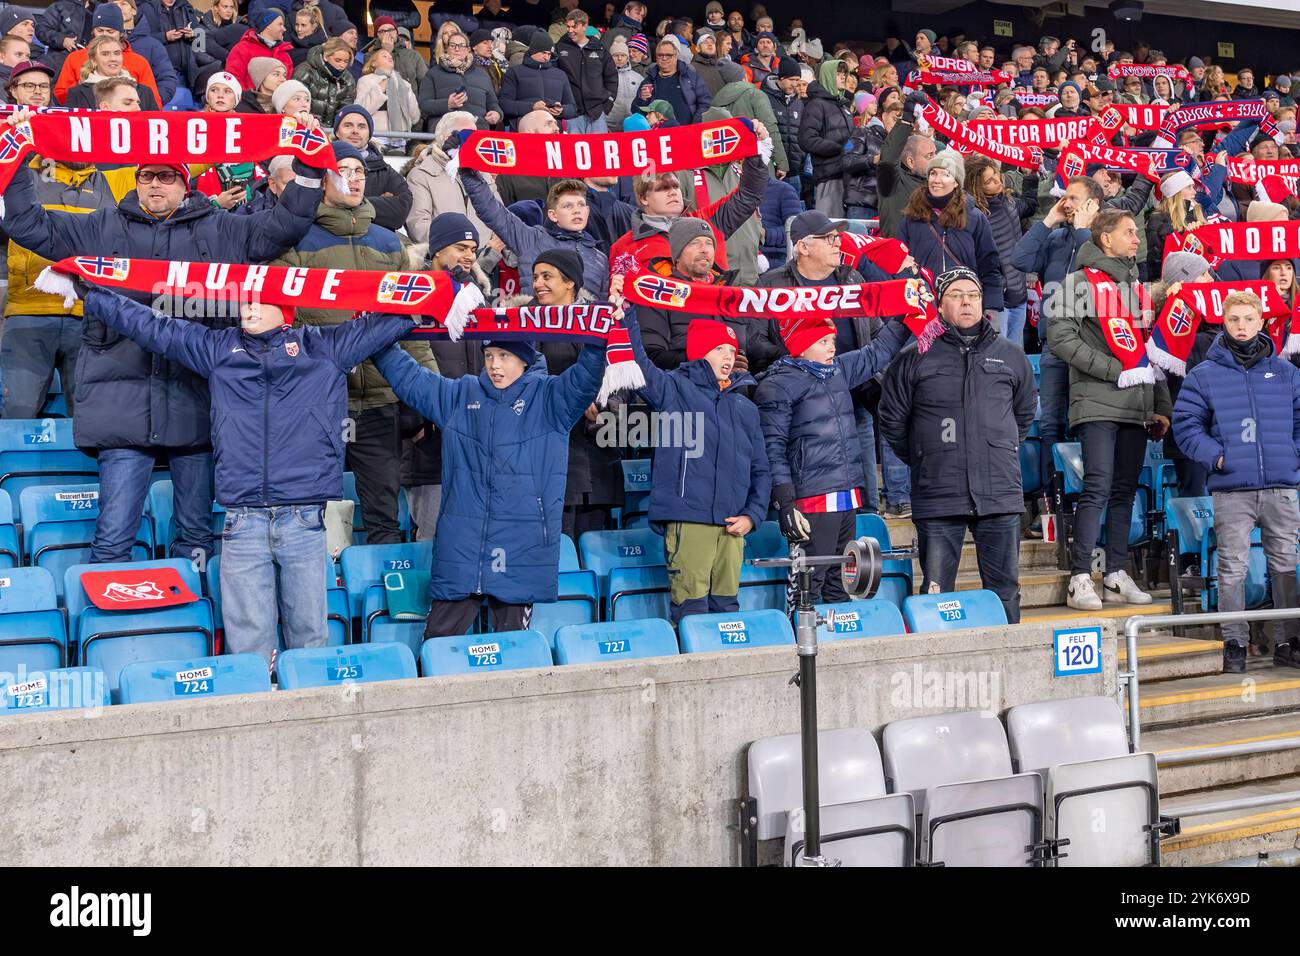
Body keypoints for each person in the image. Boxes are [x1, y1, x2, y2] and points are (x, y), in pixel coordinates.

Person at [0, 106, 323, 566]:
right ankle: (111, 627)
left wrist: (309, 166)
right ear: (135, 179)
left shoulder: (221, 228)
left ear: (185, 182)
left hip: (196, 399)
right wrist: (15, 159)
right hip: (121, 402)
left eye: (167, 176)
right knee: (112, 538)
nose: (155, 184)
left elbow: (287, 225)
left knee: (195, 541)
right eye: (147, 175)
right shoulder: (101, 225)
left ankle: (197, 630)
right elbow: (27, 224)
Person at [62, 280, 417, 666]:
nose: (249, 306)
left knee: (310, 642)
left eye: (260, 301)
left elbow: (393, 319)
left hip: (304, 521)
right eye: (246, 299)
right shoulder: (218, 348)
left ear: (286, 309)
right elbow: (152, 326)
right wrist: (93, 295)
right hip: (241, 521)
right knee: (248, 650)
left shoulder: (323, 347)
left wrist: (446, 291)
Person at [370, 302, 607, 639]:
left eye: (505, 356)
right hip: (461, 547)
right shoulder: (461, 394)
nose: (495, 366)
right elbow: (410, 378)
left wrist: (601, 336)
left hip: (521, 546)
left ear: (525, 358)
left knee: (514, 652)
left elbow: (586, 375)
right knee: (438, 646)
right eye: (489, 355)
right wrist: (376, 334)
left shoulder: (551, 398)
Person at [273, 141, 438, 546]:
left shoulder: (390, 244)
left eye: (360, 170)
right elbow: (281, 326)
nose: (354, 178)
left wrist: (431, 391)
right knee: (312, 514)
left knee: (383, 514)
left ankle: (387, 598)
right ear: (322, 179)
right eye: (343, 169)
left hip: (380, 405)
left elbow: (409, 328)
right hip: (320, 403)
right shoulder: (295, 242)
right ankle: (323, 603)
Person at [879, 267, 1037, 623]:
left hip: (998, 492)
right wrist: (925, 455)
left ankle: (1006, 657)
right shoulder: (915, 355)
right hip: (938, 494)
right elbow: (891, 419)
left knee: (1005, 591)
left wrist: (998, 448)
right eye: (956, 295)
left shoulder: (1011, 355)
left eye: (974, 295)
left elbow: (1023, 415)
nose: (966, 301)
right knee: (936, 592)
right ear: (939, 303)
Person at [617, 305, 770, 622]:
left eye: (732, 350)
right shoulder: (674, 389)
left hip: (733, 527)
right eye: (719, 349)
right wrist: (626, 314)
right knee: (691, 613)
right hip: (690, 522)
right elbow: (637, 363)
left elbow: (761, 471)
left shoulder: (745, 407)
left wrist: (752, 516)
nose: (728, 357)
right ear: (699, 352)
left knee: (727, 610)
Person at [754, 297, 912, 605]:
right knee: (809, 584)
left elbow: (877, 352)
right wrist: (786, 503)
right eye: (824, 341)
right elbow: (772, 448)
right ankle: (804, 651)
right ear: (801, 345)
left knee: (843, 584)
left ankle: (838, 649)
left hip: (846, 494)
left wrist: (906, 315)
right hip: (811, 500)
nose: (832, 348)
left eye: (832, 341)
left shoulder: (838, 370)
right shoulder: (777, 386)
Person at [1173, 290, 1300, 672]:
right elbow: (1185, 424)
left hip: (1281, 486)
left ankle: (1288, 641)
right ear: (1223, 323)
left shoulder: (1287, 373)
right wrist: (1217, 456)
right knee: (1232, 568)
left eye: (1248, 319)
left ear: (1261, 322)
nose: (1241, 326)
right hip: (1232, 489)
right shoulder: (1204, 374)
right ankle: (1234, 643)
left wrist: (1294, 458)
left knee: (1286, 566)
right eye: (1234, 320)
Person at [1053, 208, 1170, 610]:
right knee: (1097, 487)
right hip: (1097, 401)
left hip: (1136, 406)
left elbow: (1151, 353)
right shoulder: (1075, 283)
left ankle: (1116, 573)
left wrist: (1160, 404)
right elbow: (1061, 339)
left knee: (1124, 491)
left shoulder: (1138, 287)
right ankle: (1081, 576)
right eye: (1129, 232)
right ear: (1106, 239)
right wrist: (1113, 371)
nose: (1137, 239)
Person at [609, 120, 772, 273]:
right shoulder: (624, 247)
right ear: (644, 197)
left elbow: (749, 194)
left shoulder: (707, 221)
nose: (672, 192)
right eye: (663, 188)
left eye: (675, 186)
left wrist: (753, 148)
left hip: (711, 302)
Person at [637, 217, 779, 373]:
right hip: (683, 386)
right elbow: (651, 356)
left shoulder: (730, 291)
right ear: (677, 253)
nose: (704, 249)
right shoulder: (658, 294)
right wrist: (708, 363)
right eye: (695, 243)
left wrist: (790, 355)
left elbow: (755, 348)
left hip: (737, 386)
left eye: (709, 243)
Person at [461, 174, 609, 298]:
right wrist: (467, 169)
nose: (577, 210)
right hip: (538, 330)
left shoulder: (600, 259)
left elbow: (602, 310)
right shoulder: (531, 239)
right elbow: (491, 210)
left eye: (581, 205)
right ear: (553, 215)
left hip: (580, 333)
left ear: (588, 211)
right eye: (568, 206)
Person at [896, 150, 1004, 312]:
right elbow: (899, 263)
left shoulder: (975, 217)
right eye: (933, 173)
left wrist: (991, 309)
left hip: (964, 305)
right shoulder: (911, 217)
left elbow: (989, 264)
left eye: (945, 175)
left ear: (956, 182)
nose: (937, 180)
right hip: (924, 306)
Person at [966, 156, 1038, 347]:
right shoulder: (975, 216)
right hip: (998, 299)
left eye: (997, 176)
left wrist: (1029, 176)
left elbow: (1029, 206)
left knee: (1015, 353)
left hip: (1019, 293)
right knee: (998, 353)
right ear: (976, 186)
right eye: (989, 181)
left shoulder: (1008, 200)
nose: (997, 182)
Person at [404, 111, 502, 248]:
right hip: (445, 261)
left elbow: (501, 220)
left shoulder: (483, 175)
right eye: (466, 135)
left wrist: (491, 253)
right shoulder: (420, 175)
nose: (472, 141)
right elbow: (419, 227)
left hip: (488, 262)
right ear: (445, 137)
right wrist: (459, 250)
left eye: (475, 136)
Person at [53, 3, 161, 106]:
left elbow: (153, 102)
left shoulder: (139, 62)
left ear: (121, 33)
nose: (104, 35)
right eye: (100, 30)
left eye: (110, 31)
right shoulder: (75, 58)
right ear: (93, 31)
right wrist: (81, 84)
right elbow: (59, 97)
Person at [332, 105, 413, 232]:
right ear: (337, 131)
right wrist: (379, 202)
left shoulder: (385, 171)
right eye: (348, 125)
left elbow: (400, 213)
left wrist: (347, 203)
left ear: (369, 133)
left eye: (361, 126)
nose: (355, 131)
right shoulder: (322, 164)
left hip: (376, 243)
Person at [798, 59, 855, 218]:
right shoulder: (816, 105)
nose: (843, 77)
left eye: (844, 73)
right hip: (829, 177)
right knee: (830, 228)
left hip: (847, 175)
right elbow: (806, 139)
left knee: (846, 231)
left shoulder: (843, 106)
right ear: (828, 76)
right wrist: (838, 149)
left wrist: (854, 148)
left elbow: (850, 139)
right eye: (838, 74)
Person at [876, 88, 935, 238]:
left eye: (936, 155)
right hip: (899, 256)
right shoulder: (893, 182)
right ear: (910, 161)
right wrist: (907, 119)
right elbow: (888, 160)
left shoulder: (937, 186)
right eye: (929, 156)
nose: (935, 161)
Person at [419, 27, 502, 130]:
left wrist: (496, 114)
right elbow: (424, 105)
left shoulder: (482, 74)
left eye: (462, 46)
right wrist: (447, 104)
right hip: (446, 132)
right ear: (446, 48)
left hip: (479, 132)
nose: (457, 49)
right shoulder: (433, 74)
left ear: (468, 50)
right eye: (453, 45)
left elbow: (493, 103)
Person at [554, 8, 617, 133]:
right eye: (568, 27)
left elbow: (611, 78)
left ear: (584, 26)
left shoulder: (600, 49)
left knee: (597, 152)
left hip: (597, 113)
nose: (570, 30)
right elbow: (553, 78)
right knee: (572, 152)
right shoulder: (559, 48)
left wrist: (607, 104)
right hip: (571, 113)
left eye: (574, 27)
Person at [498, 30, 576, 128]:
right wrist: (532, 107)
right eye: (543, 53)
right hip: (525, 130)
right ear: (533, 50)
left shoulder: (560, 75)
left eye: (549, 54)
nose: (546, 57)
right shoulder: (514, 72)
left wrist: (561, 110)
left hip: (553, 131)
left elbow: (573, 108)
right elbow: (504, 104)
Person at [62, 34, 160, 110]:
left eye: (117, 53)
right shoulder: (77, 94)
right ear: (93, 61)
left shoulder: (144, 92)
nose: (113, 59)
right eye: (105, 54)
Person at [634, 37, 710, 124]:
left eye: (668, 55)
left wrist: (695, 125)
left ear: (676, 56)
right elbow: (635, 111)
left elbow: (705, 103)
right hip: (660, 135)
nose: (664, 58)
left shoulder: (690, 77)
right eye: (660, 55)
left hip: (689, 132)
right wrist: (642, 100)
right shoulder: (648, 81)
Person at [355, 47, 420, 140]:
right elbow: (360, 111)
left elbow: (415, 117)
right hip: (375, 137)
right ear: (374, 63)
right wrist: (379, 89)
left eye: (390, 56)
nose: (389, 57)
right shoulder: (366, 81)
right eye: (384, 56)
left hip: (401, 139)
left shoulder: (404, 84)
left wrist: (406, 94)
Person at [224, 7, 294, 92]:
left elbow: (288, 86)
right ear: (268, 26)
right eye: (280, 24)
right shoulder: (242, 49)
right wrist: (249, 100)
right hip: (248, 103)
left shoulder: (284, 55)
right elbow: (233, 80)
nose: (284, 29)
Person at [292, 35, 356, 124]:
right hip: (306, 125)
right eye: (338, 60)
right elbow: (296, 103)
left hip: (333, 130)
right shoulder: (304, 72)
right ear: (326, 57)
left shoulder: (348, 78)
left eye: (346, 61)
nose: (342, 65)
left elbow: (346, 107)